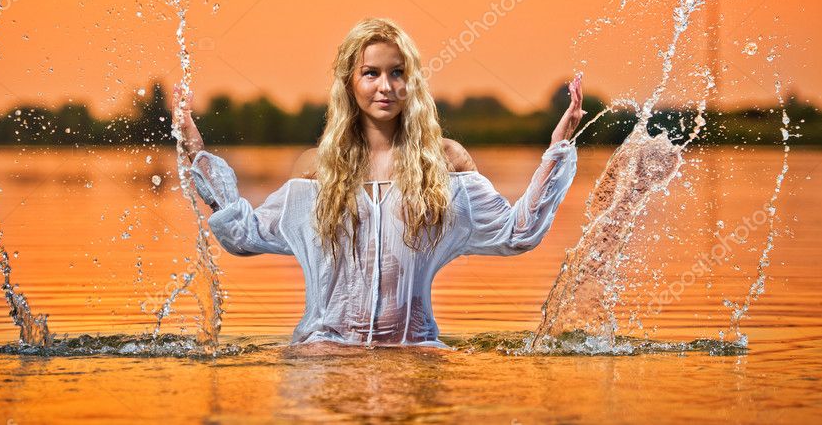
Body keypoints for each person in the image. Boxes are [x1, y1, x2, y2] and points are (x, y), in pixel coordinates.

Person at [173, 17, 585, 348]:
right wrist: (196, 148)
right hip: (323, 352)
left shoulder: (444, 162)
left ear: (413, 82)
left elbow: (518, 233)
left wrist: (557, 149)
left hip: (414, 349)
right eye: (370, 73)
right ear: (349, 83)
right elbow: (244, 235)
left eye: (397, 73)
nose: (385, 86)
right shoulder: (317, 168)